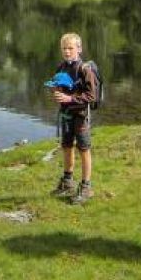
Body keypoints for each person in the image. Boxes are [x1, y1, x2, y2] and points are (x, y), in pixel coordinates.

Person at [49, 32, 100, 206]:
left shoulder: (85, 69)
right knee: (67, 146)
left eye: (70, 48)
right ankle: (67, 182)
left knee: (84, 149)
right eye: (64, 48)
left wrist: (70, 98)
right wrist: (56, 91)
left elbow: (91, 96)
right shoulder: (61, 67)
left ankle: (86, 187)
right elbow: (57, 85)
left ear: (79, 49)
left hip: (81, 116)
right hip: (66, 114)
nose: (67, 51)